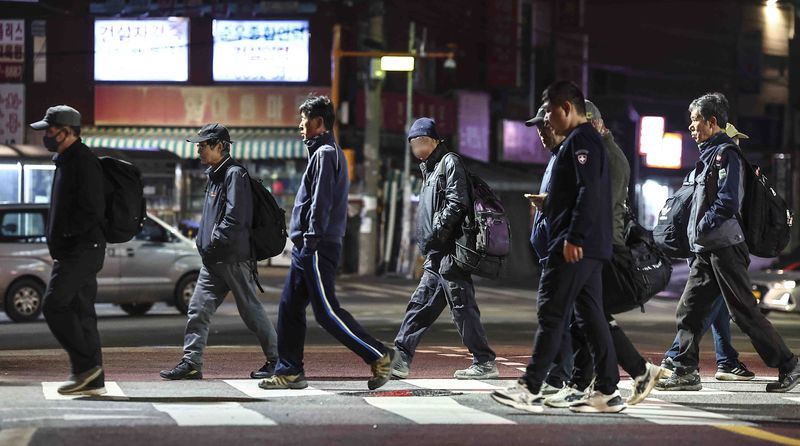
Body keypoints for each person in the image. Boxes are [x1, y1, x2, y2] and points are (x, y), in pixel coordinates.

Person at [491, 81, 624, 414]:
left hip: (576, 246)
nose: (547, 120)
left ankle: (530, 386)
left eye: (550, 112)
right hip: (584, 245)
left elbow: (588, 193)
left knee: (552, 312)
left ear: (567, 108)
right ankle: (608, 389)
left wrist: (574, 238)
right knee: (590, 317)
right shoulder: (579, 143)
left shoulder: (582, 142)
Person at [657, 92, 799, 393]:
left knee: (743, 312)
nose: (691, 127)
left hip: (724, 247)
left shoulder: (726, 154)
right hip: (708, 249)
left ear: (711, 122)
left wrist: (703, 225)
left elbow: (728, 200)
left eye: (695, 121)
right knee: (690, 309)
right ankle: (684, 369)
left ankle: (789, 365)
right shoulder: (708, 155)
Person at [258, 96, 398, 391]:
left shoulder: (324, 153)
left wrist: (310, 240)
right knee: (289, 308)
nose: (300, 126)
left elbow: (321, 202)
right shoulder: (322, 152)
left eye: (304, 120)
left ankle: (379, 355)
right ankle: (290, 370)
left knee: (326, 311)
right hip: (308, 246)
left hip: (317, 245)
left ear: (319, 123)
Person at [544, 100, 663, 409]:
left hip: (603, 248)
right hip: (598, 245)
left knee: (587, 315)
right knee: (587, 314)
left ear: (594, 124)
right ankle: (615, 378)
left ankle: (609, 382)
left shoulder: (607, 156)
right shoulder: (599, 154)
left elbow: (599, 208)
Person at [160, 123, 279, 380]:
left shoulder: (234, 174)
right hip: (214, 260)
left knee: (251, 311)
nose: (199, 150)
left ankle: (277, 360)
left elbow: (236, 217)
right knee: (197, 310)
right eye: (199, 145)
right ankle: (191, 363)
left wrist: (215, 239)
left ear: (220, 146)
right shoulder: (214, 175)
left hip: (233, 258)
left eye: (204, 145)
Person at [391, 117, 497, 380]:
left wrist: (437, 232)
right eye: (414, 143)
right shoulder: (429, 168)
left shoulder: (449, 162)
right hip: (438, 254)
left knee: (462, 308)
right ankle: (400, 358)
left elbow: (457, 201)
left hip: (451, 252)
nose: (418, 147)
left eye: (422, 141)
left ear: (436, 140)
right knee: (421, 304)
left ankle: (484, 362)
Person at [659, 122, 755, 383]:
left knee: (714, 304)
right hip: (714, 244)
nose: (738, 143)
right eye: (735, 138)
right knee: (707, 305)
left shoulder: (707, 165)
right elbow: (726, 205)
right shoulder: (722, 161)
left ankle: (725, 359)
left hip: (705, 243)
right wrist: (702, 229)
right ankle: (677, 354)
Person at [31, 105, 107, 395]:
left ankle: (86, 367)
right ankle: (93, 379)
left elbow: (92, 210)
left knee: (54, 305)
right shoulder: (66, 159)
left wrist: (64, 234)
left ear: (66, 131)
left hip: (82, 249)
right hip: (77, 249)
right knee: (81, 310)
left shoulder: (83, 162)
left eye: (49, 130)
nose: (45, 135)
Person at [523, 106, 574, 396]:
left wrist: (549, 205)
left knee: (556, 314)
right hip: (551, 251)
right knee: (565, 315)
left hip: (563, 250)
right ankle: (567, 373)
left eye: (544, 127)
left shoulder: (569, 156)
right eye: (539, 129)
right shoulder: (555, 158)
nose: (541, 134)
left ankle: (558, 375)